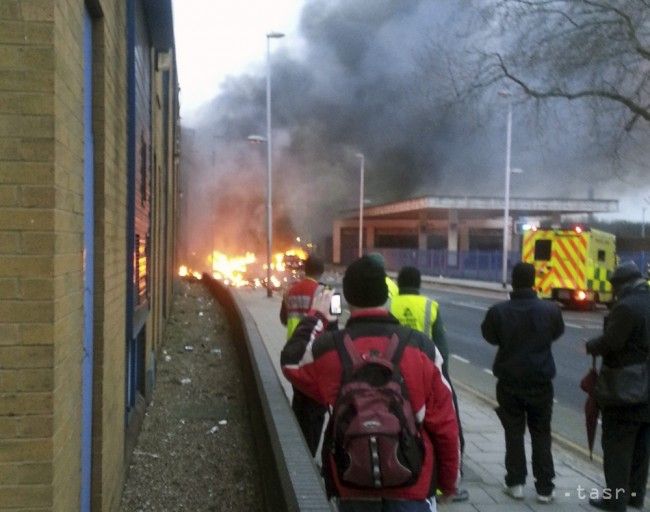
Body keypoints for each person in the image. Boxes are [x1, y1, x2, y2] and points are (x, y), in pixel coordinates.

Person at [281, 255, 460, 511]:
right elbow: (445, 426)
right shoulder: (421, 349)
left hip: (351, 486)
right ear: (388, 297)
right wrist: (449, 483)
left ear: (347, 301)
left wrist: (317, 316)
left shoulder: (329, 349)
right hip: (413, 488)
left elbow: (291, 363)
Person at [480, 262, 564, 504]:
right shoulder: (550, 310)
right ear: (534, 282)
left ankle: (515, 482)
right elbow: (556, 333)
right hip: (540, 381)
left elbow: (489, 336)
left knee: (513, 432)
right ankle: (545, 488)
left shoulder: (498, 311)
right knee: (541, 433)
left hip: (509, 381)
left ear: (513, 282)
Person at [389, 266, 468, 503]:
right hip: (425, 371)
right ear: (419, 283)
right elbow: (442, 349)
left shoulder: (390, 305)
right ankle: (445, 485)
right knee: (446, 428)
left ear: (399, 283)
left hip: (394, 372)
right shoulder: (429, 306)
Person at [586, 261, 650, 511]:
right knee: (642, 447)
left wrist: (590, 346)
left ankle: (615, 500)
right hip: (648, 389)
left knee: (618, 447)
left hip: (626, 390)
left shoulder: (626, 307)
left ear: (621, 285)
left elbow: (612, 342)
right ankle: (635, 496)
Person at [279, 255, 331, 456]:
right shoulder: (327, 293)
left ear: (304, 269)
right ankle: (308, 454)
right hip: (317, 354)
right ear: (322, 271)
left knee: (299, 400)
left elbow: (284, 319)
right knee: (316, 408)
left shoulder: (290, 290)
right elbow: (334, 326)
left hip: (293, 354)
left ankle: (296, 447)